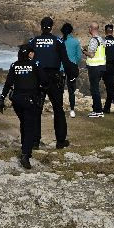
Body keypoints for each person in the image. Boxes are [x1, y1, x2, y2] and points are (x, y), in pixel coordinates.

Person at [0, 44, 46, 169]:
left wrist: (2, 99)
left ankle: (25, 148)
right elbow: (44, 81)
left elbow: (8, 84)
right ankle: (25, 154)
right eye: (32, 52)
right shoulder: (35, 64)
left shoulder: (14, 65)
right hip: (30, 100)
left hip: (17, 100)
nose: (34, 54)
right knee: (29, 127)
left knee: (24, 123)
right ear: (29, 53)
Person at [29, 17, 73, 148]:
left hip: (37, 78)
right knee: (58, 109)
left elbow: (24, 59)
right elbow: (65, 61)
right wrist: (71, 75)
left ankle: (35, 142)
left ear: (41, 27)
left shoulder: (33, 41)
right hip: (54, 78)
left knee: (36, 109)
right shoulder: (58, 41)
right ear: (52, 27)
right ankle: (60, 141)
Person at [81, 22, 106, 118]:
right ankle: (96, 109)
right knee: (95, 88)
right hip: (102, 66)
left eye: (89, 28)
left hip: (94, 67)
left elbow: (91, 54)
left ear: (91, 29)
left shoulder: (94, 40)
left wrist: (84, 51)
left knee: (94, 89)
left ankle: (98, 111)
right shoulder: (101, 39)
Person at [59, 23, 82, 117]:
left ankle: (59, 110)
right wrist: (74, 62)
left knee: (59, 90)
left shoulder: (59, 41)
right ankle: (72, 110)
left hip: (60, 68)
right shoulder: (76, 42)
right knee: (71, 90)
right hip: (71, 68)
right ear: (71, 31)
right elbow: (79, 57)